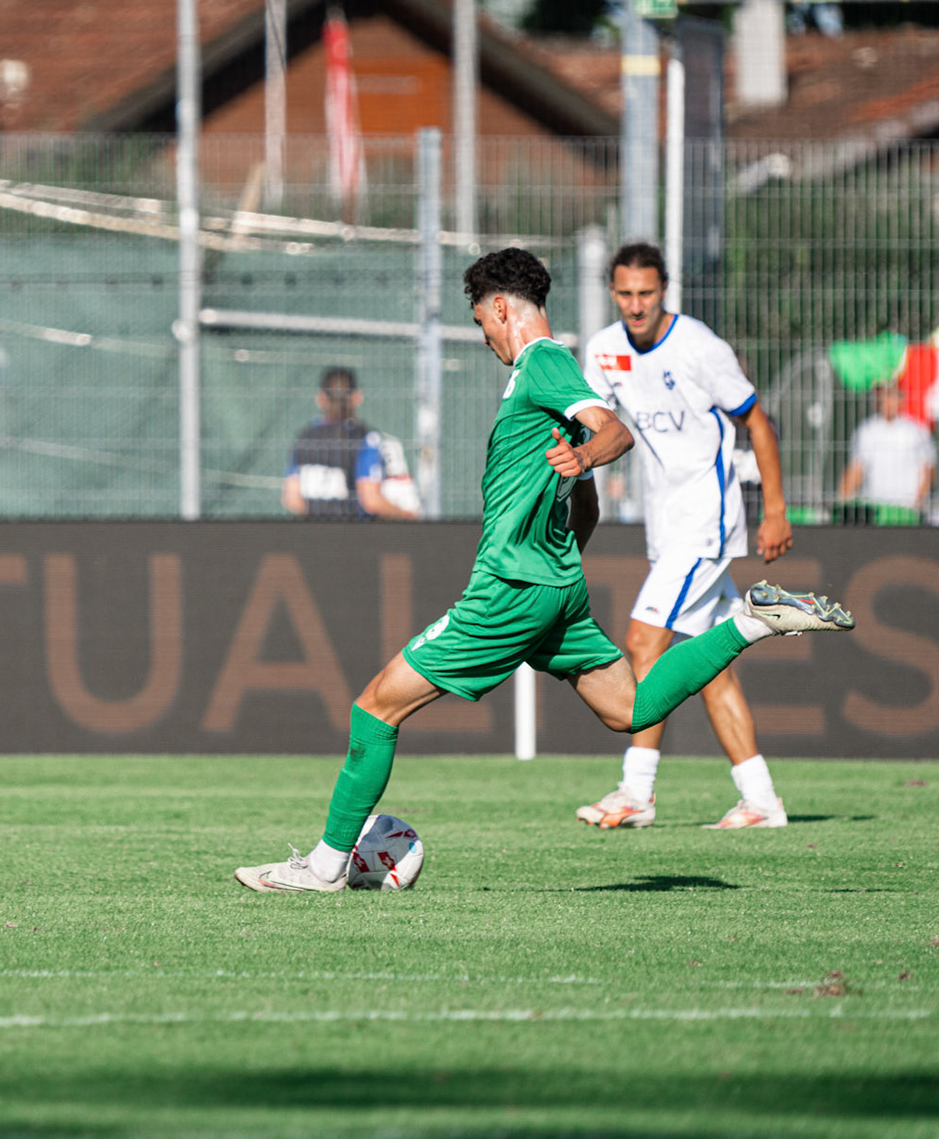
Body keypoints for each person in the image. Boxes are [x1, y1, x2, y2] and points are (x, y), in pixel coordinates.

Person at [234, 248, 854, 892]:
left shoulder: (544, 363)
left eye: (481, 323)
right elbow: (579, 493)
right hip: (555, 587)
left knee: (375, 708)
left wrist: (584, 460)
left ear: (501, 307)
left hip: (511, 587)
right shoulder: (546, 379)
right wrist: (567, 543)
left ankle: (327, 867)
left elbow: (613, 433)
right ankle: (751, 622)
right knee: (632, 708)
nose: (484, 337)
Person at [574, 242, 799, 832]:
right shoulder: (603, 350)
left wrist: (774, 509)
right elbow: (589, 421)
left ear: (664, 290)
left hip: (706, 520)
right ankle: (761, 799)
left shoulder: (700, 347)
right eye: (624, 294)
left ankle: (637, 791)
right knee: (712, 668)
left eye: (645, 293)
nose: (635, 305)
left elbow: (756, 419)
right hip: (665, 523)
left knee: (644, 644)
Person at [282, 367, 419, 521]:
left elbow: (292, 500)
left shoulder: (305, 438)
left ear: (321, 398)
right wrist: (408, 515)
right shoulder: (365, 438)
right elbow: (371, 500)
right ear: (356, 397)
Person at [838, 382, 937, 521]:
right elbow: (856, 470)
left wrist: (918, 503)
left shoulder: (916, 430)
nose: (886, 400)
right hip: (875, 512)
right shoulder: (867, 431)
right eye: (882, 395)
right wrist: (842, 503)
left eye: (891, 394)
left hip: (906, 511)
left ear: (901, 398)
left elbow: (928, 470)